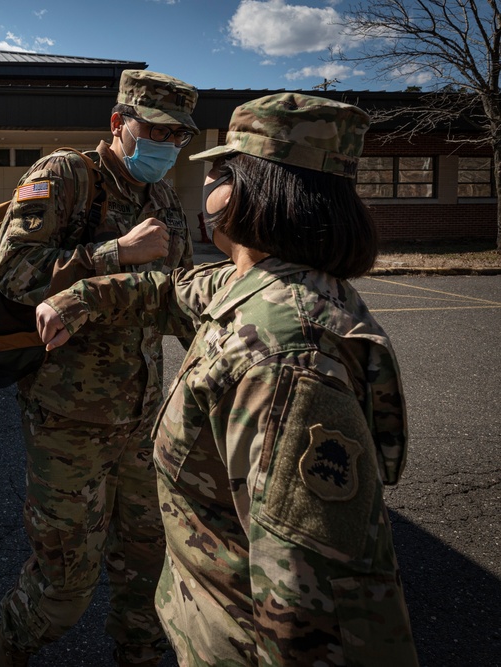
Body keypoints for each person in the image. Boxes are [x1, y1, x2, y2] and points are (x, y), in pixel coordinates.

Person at [36, 93, 419, 666]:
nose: (205, 182)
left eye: (219, 170)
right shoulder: (260, 283)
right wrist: (83, 297)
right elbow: (171, 287)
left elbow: (316, 620)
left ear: (251, 191)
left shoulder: (288, 367)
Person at [0, 70, 199, 667]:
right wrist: (117, 253)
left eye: (176, 136)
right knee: (66, 584)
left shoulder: (163, 199)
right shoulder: (65, 176)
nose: (165, 144)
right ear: (117, 123)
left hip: (141, 414)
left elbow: (173, 294)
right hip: (67, 420)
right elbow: (15, 273)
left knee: (148, 558)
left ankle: (139, 654)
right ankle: (4, 651)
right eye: (153, 130)